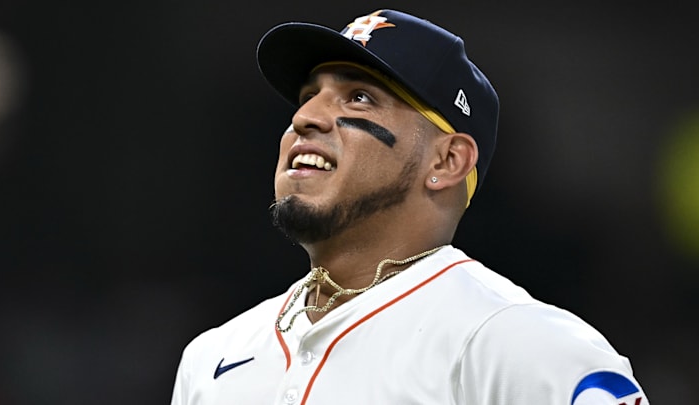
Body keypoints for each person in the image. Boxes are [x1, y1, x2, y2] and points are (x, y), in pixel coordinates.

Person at [170, 9, 649, 405]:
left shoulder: (515, 343)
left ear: (447, 160)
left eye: (358, 98)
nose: (304, 117)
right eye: (309, 96)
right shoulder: (213, 356)